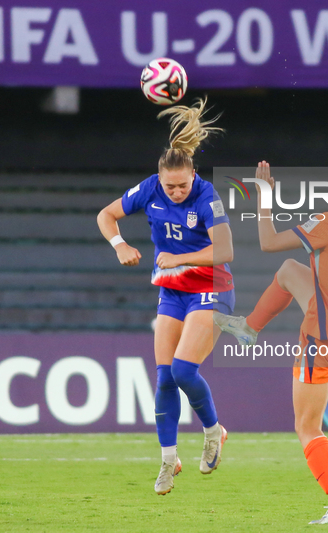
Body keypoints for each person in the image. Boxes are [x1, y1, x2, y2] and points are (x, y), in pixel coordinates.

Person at [214, 126, 328, 524]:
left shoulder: (327, 221)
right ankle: (249, 328)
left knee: (307, 426)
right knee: (291, 271)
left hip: (324, 337)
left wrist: (264, 198)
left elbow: (267, 241)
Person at [97, 97, 233, 495]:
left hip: (211, 289)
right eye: (170, 186)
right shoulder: (149, 190)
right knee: (163, 378)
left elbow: (224, 251)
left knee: (183, 370)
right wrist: (119, 244)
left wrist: (180, 257)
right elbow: (106, 215)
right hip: (173, 292)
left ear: (194, 175)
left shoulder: (207, 197)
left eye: (182, 185)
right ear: (160, 179)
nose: (175, 192)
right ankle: (167, 460)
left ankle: (213, 431)